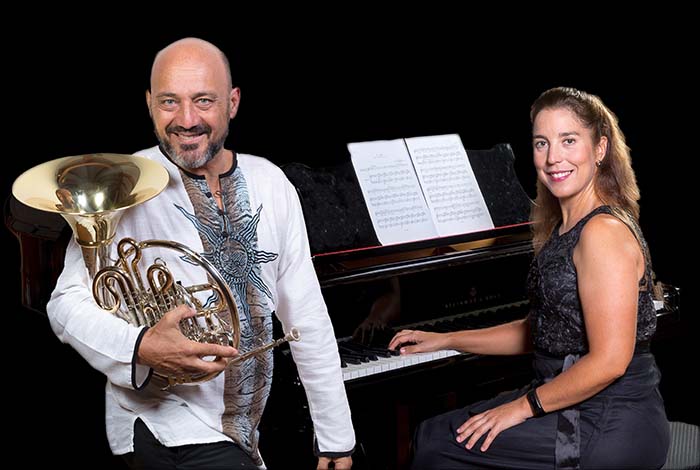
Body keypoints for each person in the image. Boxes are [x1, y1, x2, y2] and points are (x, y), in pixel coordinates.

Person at [47, 38, 354, 469]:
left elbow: (307, 315)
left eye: (204, 101)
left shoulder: (270, 181)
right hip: (164, 422)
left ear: (233, 103)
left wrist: (336, 438)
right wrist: (141, 346)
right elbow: (64, 305)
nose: (186, 120)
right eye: (169, 102)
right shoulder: (122, 183)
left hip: (244, 431)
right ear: (150, 103)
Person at [389, 86, 669, 469]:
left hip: (609, 420)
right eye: (542, 143)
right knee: (433, 433)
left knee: (438, 446)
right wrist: (447, 339)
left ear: (600, 149)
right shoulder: (565, 226)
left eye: (569, 140)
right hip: (570, 400)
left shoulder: (602, 233)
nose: (553, 158)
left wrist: (521, 407)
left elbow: (610, 362)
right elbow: (537, 331)